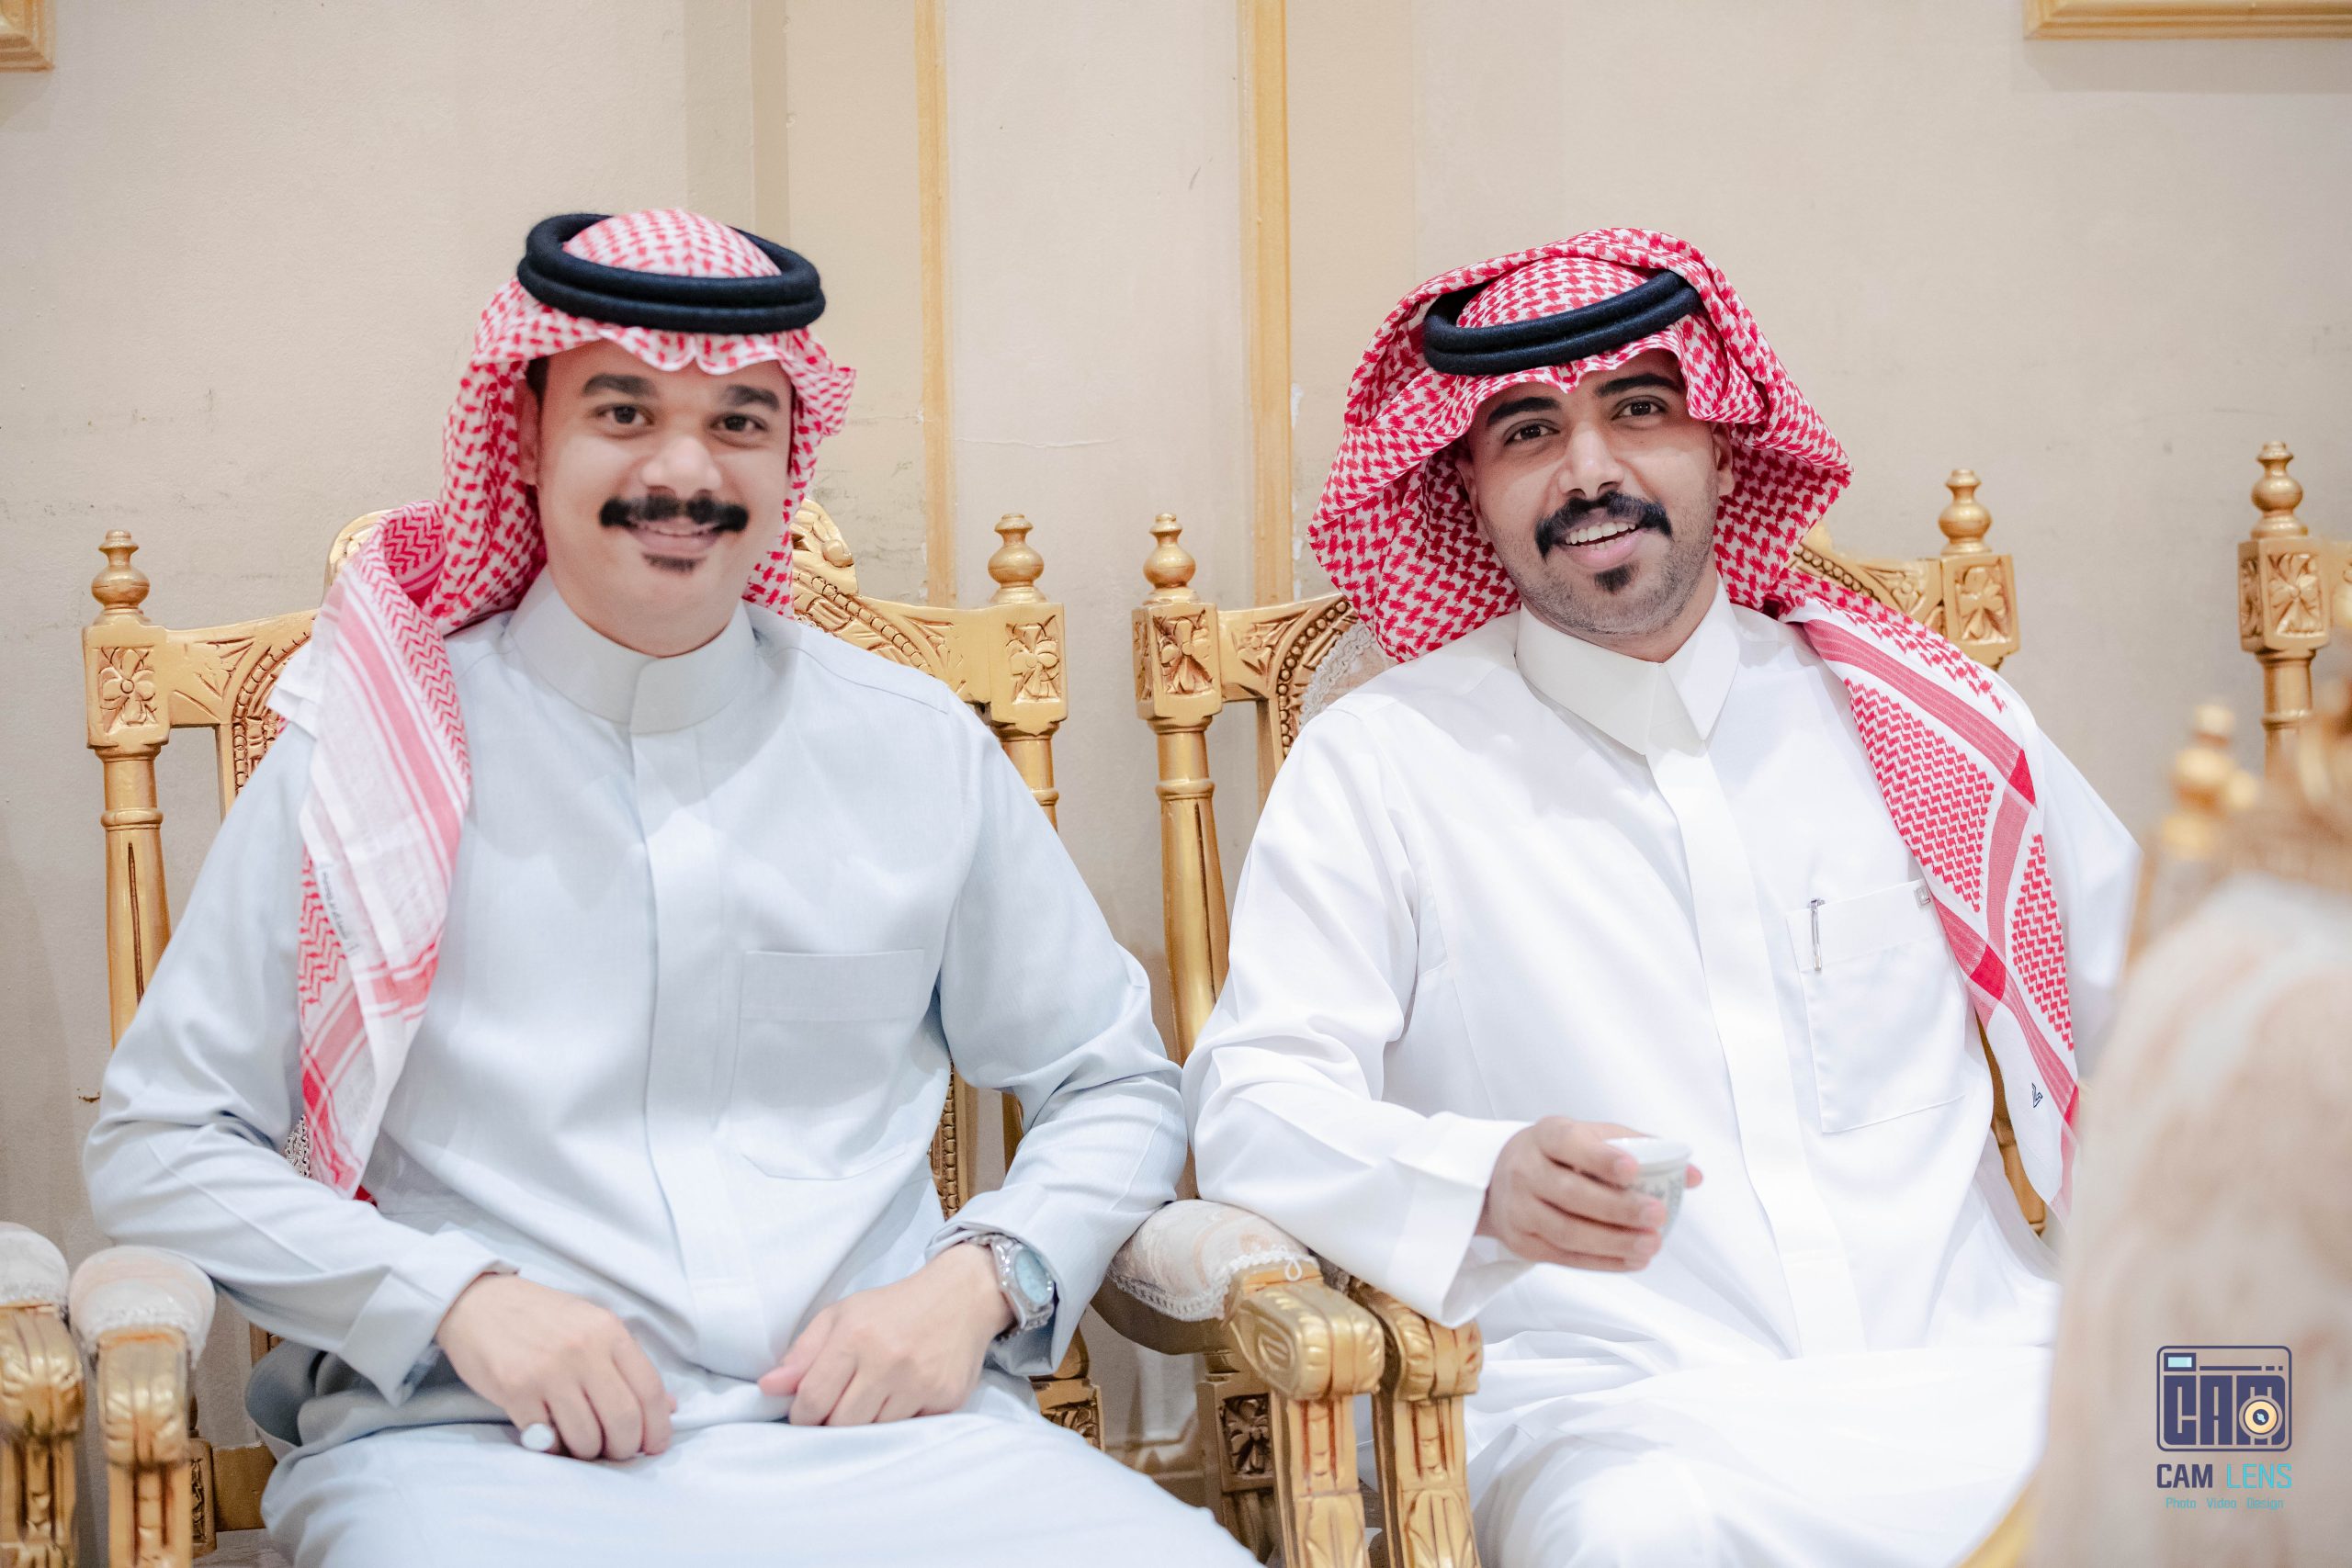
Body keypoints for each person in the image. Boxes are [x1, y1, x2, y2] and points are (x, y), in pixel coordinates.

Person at [85, 209, 1245, 1567]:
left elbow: (1111, 1082)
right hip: (478, 1455)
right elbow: (161, 1140)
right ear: (527, 436)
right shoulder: (371, 758)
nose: (684, 472)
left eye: (739, 423)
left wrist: (980, 1281)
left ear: (787, 455)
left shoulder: (912, 747)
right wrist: (452, 1299)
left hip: (894, 1442)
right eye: (624, 412)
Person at [1184, 230, 2140, 1567]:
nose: (1590, 470)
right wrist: (1476, 1183)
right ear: (1467, 486)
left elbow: (2166, 1024)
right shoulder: (1385, 765)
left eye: (1639, 409)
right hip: (1636, 1427)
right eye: (1529, 430)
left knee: (2256, 1437)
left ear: (1726, 449)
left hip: (1999, 1375)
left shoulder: (1917, 718)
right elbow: (1254, 1102)